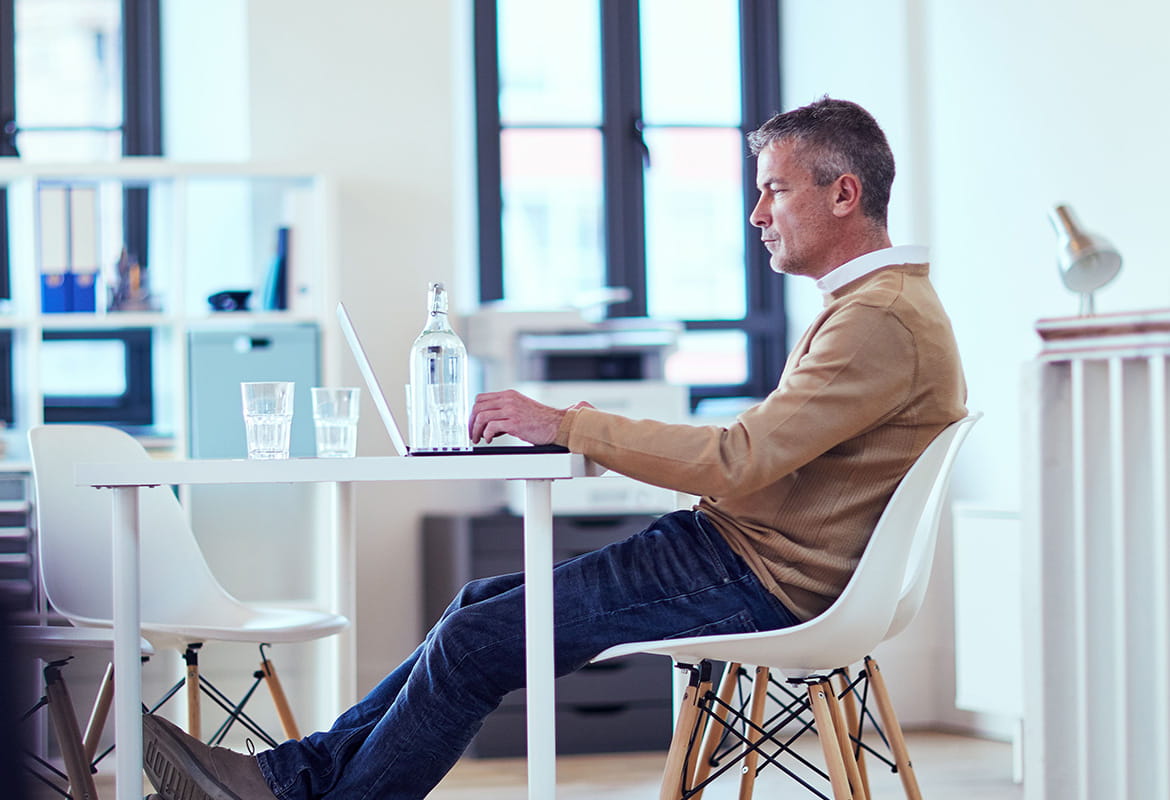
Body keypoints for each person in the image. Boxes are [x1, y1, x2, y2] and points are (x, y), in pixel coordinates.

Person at [140, 96, 967, 800]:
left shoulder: (877, 318)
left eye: (773, 191)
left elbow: (736, 460)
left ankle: (299, 789)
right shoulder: (871, 305)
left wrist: (566, 423)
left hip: (757, 576)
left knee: (478, 643)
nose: (756, 214)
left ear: (843, 194)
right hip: (736, 555)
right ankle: (288, 780)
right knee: (475, 609)